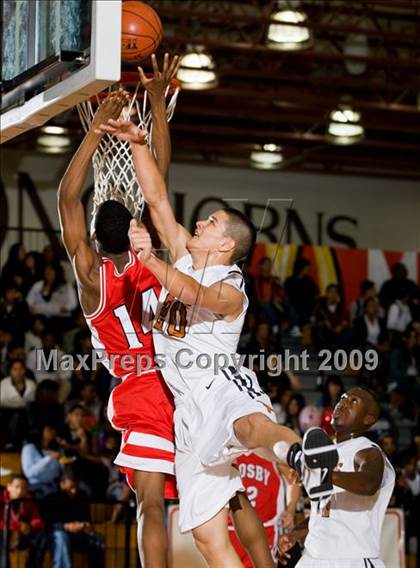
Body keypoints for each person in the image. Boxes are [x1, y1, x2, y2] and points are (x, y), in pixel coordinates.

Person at [100, 114, 335, 567]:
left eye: (211, 222)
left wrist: (149, 260)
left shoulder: (231, 285)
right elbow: (157, 197)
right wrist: (137, 142)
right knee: (209, 537)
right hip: (186, 411)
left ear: (226, 245)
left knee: (248, 428)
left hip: (219, 384)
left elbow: (195, 294)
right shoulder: (186, 255)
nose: (201, 223)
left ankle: (300, 456)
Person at [56, 59, 181, 566]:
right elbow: (160, 178)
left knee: (150, 503)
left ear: (91, 237)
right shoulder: (152, 256)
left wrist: (95, 128)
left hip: (142, 387)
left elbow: (66, 196)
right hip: (184, 377)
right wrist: (152, 101)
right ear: (132, 224)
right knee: (224, 493)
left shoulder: (91, 276)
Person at [279, 387, 396, 567]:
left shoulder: (367, 451)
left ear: (368, 419)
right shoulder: (327, 452)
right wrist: (294, 534)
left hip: (352, 558)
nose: (343, 402)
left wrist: (325, 474)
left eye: (353, 401)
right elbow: (326, 512)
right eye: (343, 398)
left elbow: (369, 483)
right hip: (313, 557)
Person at [228, 452, 301, 567]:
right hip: (229, 530)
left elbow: (294, 479)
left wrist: (291, 509)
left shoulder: (267, 451)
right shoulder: (227, 452)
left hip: (266, 531)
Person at [41, 467, 105, 568]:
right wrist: (65, 526)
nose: (74, 491)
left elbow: (87, 519)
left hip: (78, 535)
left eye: (76, 487)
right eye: (71, 488)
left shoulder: (82, 497)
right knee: (61, 536)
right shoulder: (51, 498)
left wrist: (86, 526)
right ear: (62, 484)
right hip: (55, 536)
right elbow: (47, 524)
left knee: (97, 538)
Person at [0, 474, 45, 568]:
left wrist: (30, 526)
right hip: (4, 534)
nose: (20, 491)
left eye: (23, 488)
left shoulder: (28, 500)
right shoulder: (1, 498)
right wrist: (16, 527)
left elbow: (38, 520)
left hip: (21, 535)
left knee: (41, 535)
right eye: (16, 487)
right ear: (9, 487)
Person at [21, 425, 62, 497]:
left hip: (54, 485)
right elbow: (29, 473)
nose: (53, 432)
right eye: (49, 429)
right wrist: (48, 458)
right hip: (37, 487)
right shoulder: (29, 448)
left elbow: (58, 471)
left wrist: (62, 461)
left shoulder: (55, 448)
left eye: (53, 430)